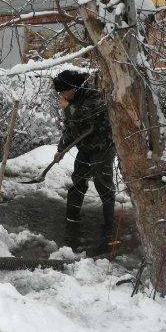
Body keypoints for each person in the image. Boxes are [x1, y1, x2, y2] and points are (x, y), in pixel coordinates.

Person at [53, 69, 116, 251]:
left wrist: (68, 108)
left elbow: (86, 117)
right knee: (77, 182)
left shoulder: (93, 97)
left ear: (73, 88)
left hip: (102, 147)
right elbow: (70, 128)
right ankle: (71, 219)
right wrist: (61, 150)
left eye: (64, 91)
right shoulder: (73, 101)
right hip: (85, 148)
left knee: (103, 185)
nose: (62, 95)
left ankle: (109, 225)